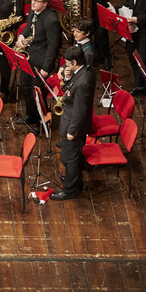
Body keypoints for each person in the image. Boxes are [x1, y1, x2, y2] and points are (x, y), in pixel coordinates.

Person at [50, 46, 96, 200]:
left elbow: (80, 110)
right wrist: (68, 78)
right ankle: (75, 180)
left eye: (68, 63)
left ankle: (69, 190)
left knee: (69, 158)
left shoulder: (83, 82)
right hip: (72, 121)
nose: (66, 66)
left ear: (75, 62)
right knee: (73, 156)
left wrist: (72, 131)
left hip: (73, 125)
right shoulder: (86, 70)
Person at [15, 0, 62, 125]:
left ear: (45, 4)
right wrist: (22, 35)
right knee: (26, 87)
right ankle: (31, 116)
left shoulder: (51, 20)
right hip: (29, 57)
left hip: (41, 61)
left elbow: (53, 47)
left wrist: (46, 68)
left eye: (37, 1)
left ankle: (44, 122)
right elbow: (28, 27)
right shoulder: (33, 10)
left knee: (38, 93)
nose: (33, 3)